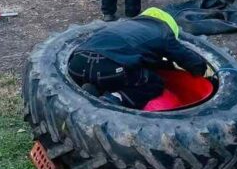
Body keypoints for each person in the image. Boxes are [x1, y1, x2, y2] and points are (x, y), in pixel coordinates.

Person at [68, 7, 207, 108]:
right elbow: (191, 62)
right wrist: (202, 70)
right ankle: (115, 98)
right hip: (110, 67)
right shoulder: (164, 33)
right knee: (154, 82)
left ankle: (92, 90)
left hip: (77, 64)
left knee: (115, 74)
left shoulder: (127, 25)